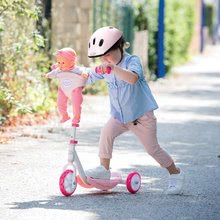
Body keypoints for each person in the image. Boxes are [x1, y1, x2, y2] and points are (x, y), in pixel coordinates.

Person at [84, 26, 184, 195]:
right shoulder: (105, 65)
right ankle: (104, 169)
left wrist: (114, 69)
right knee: (106, 133)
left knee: (153, 149)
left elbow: (132, 78)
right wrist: (70, 73)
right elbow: (87, 76)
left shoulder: (132, 61)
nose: (104, 59)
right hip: (120, 117)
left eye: (107, 54)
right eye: (101, 56)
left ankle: (175, 173)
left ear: (120, 47)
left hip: (141, 117)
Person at [45, 47, 87, 124]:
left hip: (75, 89)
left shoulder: (76, 69)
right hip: (63, 89)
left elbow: (82, 71)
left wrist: (83, 73)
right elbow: (54, 73)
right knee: (60, 104)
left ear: (72, 62)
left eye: (63, 63)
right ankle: (65, 116)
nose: (60, 65)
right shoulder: (59, 69)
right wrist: (48, 75)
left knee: (76, 104)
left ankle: (76, 118)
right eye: (58, 62)